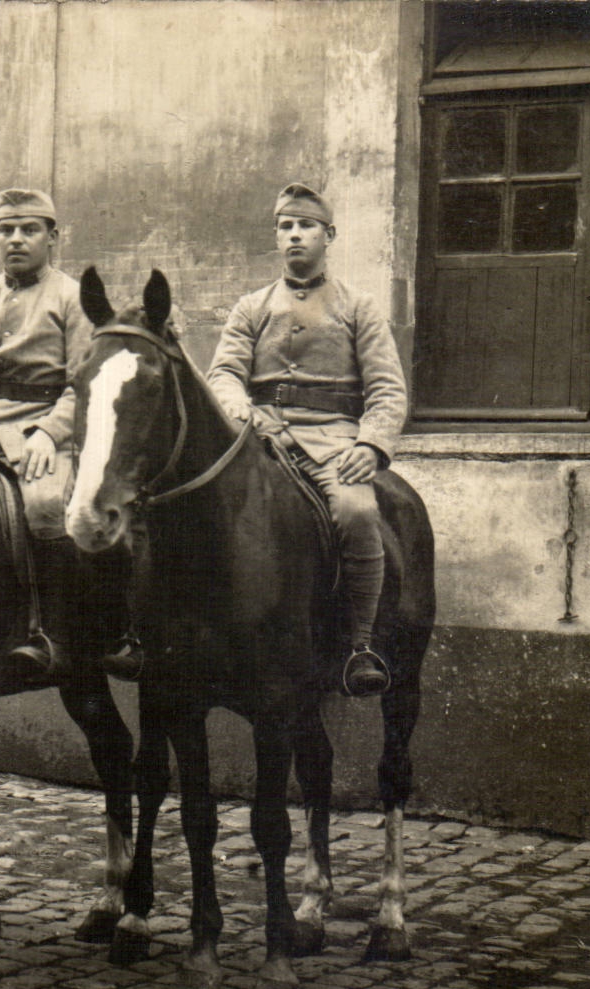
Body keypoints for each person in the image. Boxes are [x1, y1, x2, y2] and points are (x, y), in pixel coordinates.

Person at [0, 188, 141, 682]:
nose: (16, 240)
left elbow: (83, 386)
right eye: (6, 230)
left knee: (45, 505)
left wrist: (48, 433)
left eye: (29, 230)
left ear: (53, 237)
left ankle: (48, 632)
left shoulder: (70, 298)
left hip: (44, 431)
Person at [206, 183, 408, 697]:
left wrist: (370, 446)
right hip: (261, 440)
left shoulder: (357, 307)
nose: (295, 235)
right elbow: (224, 373)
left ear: (329, 235)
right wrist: (240, 408)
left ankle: (360, 644)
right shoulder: (251, 307)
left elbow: (387, 389)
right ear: (277, 237)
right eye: (286, 227)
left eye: (306, 226)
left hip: (334, 443)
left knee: (358, 513)